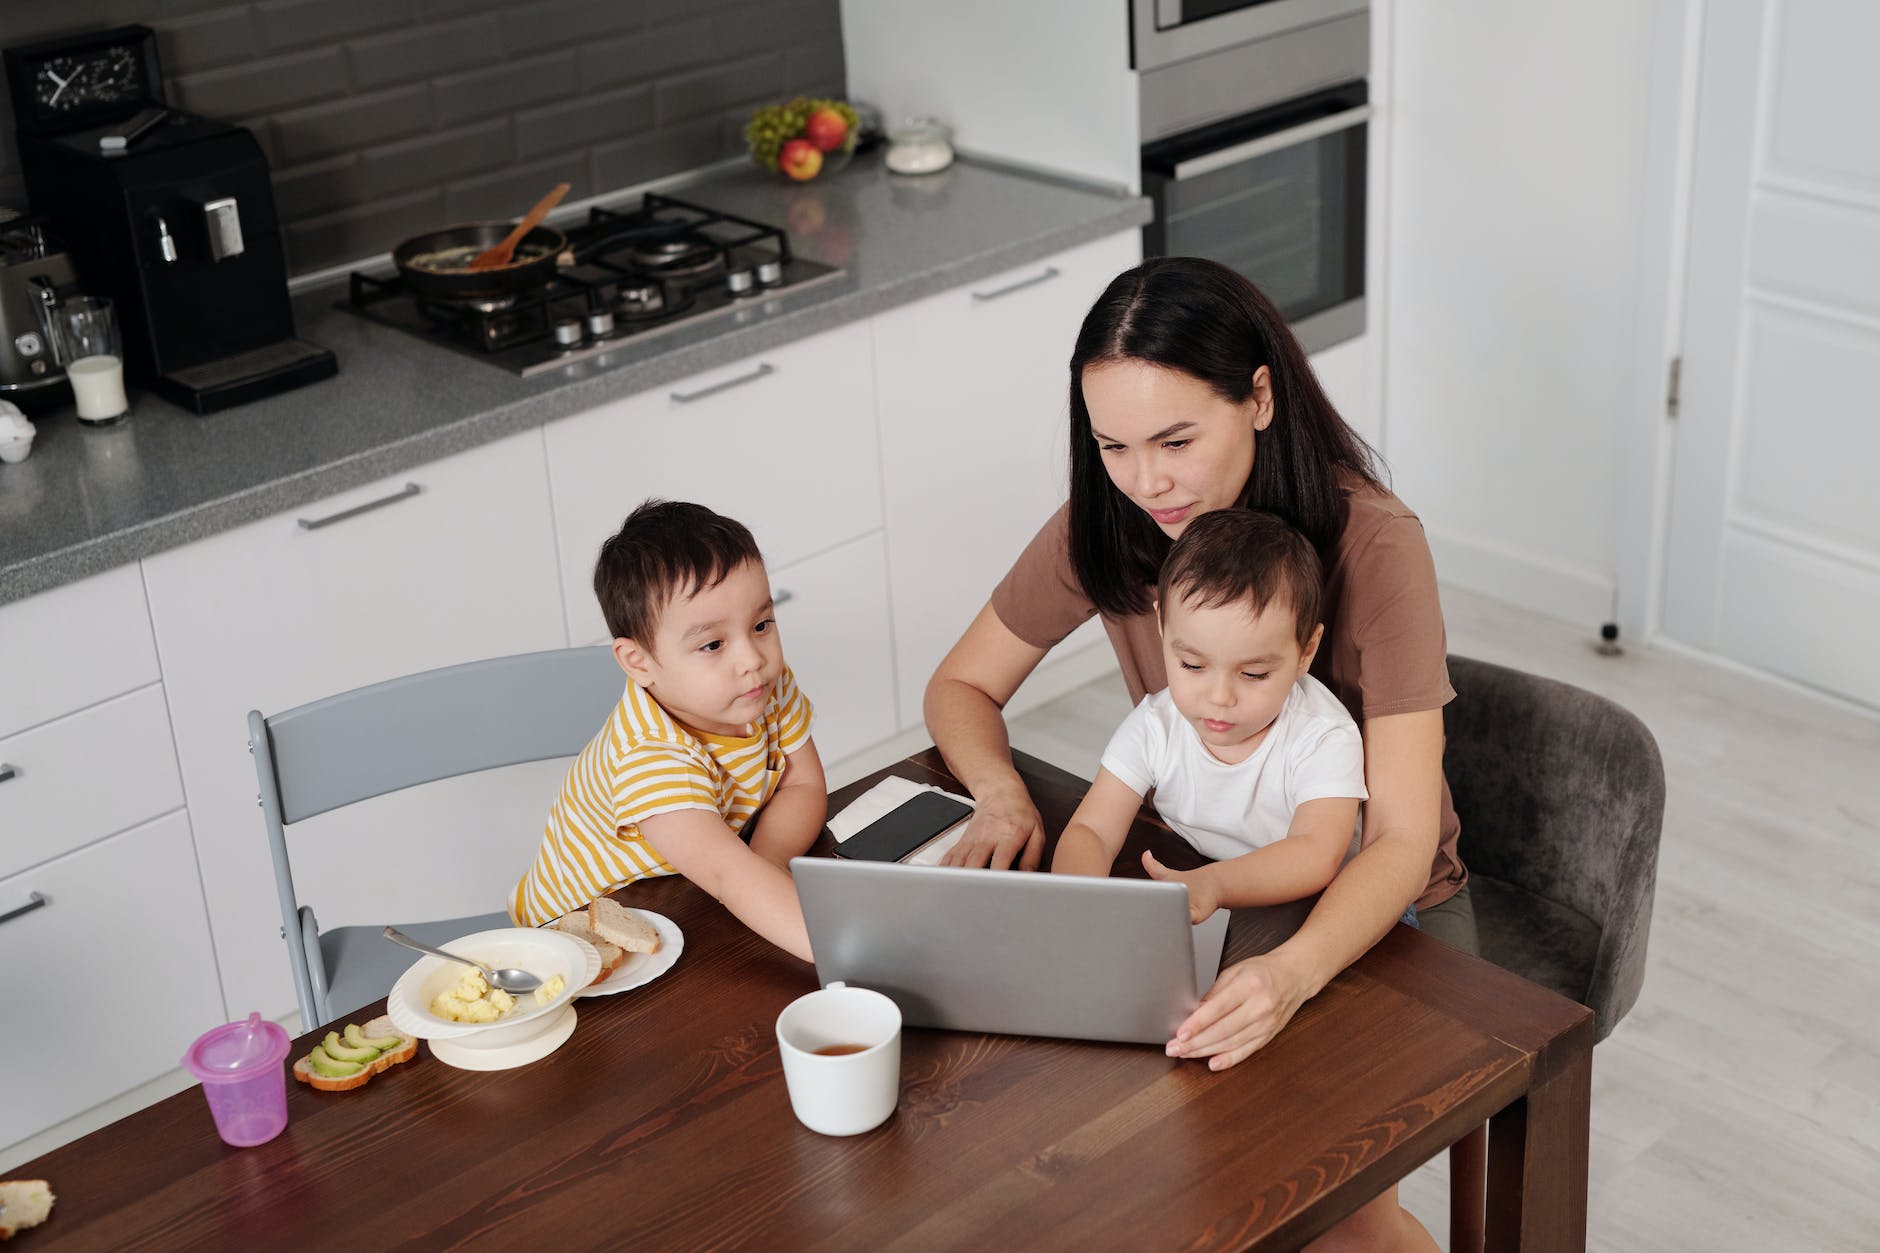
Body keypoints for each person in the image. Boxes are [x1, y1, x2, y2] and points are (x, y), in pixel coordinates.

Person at [925, 257, 1471, 1251]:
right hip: (1205, 880)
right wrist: (1000, 795)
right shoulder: (1112, 521)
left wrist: (1293, 973)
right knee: (1101, 1154)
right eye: (1113, 447)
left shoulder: (1375, 545)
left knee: (1327, 1206)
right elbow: (958, 684)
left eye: (1175, 439)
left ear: (1258, 397)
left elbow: (1394, 836)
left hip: (1381, 902)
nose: (1146, 480)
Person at [508, 499, 824, 962]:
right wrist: (860, 962)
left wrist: (767, 860)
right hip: (577, 937)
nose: (751, 659)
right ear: (639, 662)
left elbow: (803, 781)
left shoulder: (758, 688)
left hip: (682, 894)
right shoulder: (650, 755)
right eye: (713, 643)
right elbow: (726, 879)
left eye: (761, 625)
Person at [1052, 509, 1371, 928]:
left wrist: (1214, 885)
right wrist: (1076, 905)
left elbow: (1315, 852)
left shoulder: (1322, 735)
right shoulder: (1156, 725)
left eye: (1253, 674)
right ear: (1163, 628)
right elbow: (1092, 829)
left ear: (1306, 652)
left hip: (1327, 905)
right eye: (1192, 666)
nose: (1219, 698)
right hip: (1210, 885)